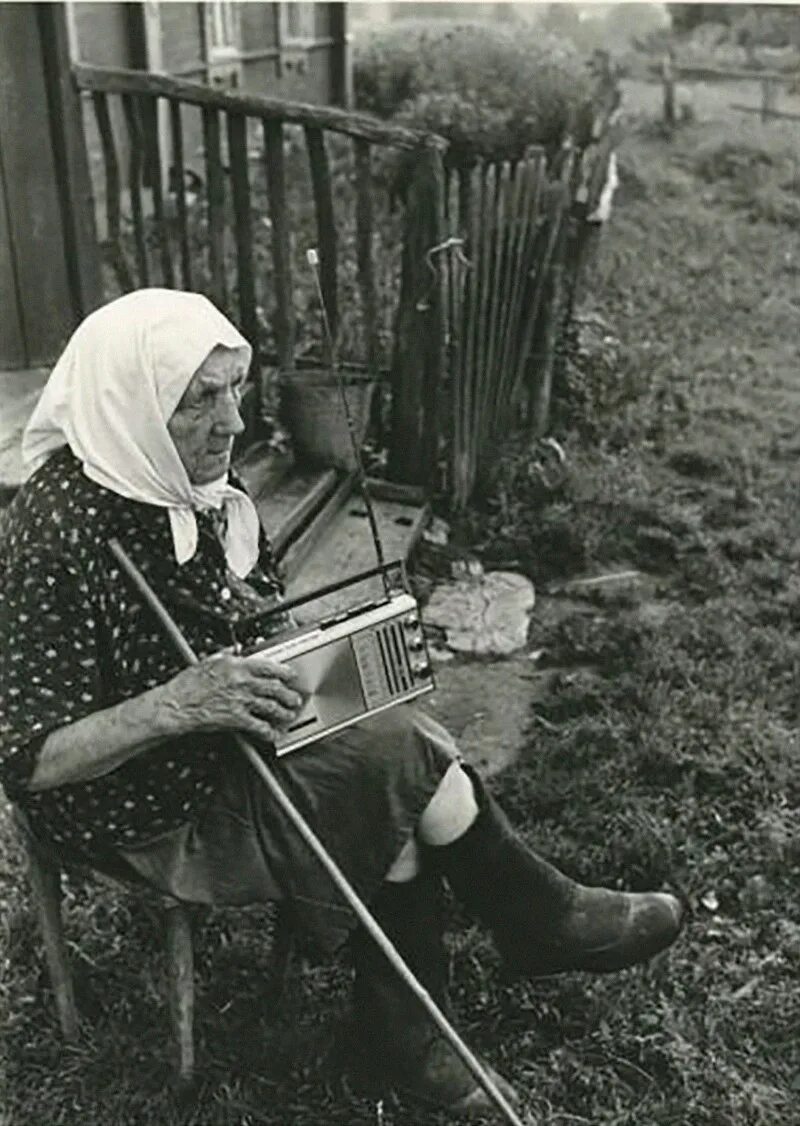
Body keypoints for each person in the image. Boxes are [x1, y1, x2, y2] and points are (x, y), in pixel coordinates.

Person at [0, 289, 684, 1117]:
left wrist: (320, 647)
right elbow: (27, 761)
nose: (233, 423)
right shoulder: (55, 537)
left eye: (234, 389)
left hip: (220, 732)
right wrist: (177, 705)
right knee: (397, 758)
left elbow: (234, 609)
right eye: (198, 401)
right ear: (131, 406)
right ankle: (522, 932)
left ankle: (433, 1004)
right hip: (137, 802)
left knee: (389, 725)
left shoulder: (168, 472)